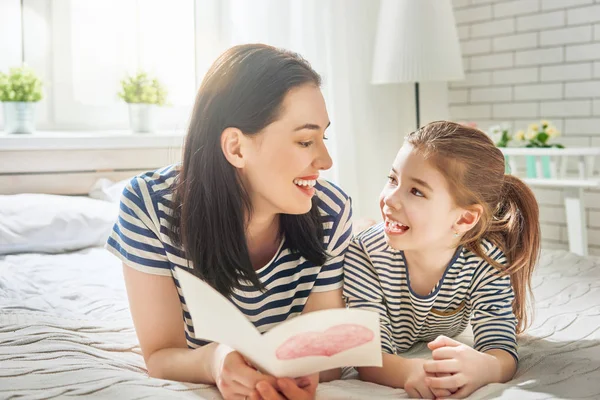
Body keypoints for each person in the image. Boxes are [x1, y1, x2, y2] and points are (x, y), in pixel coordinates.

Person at [106, 44, 353, 400]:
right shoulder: (149, 206)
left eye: (323, 137)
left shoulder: (331, 211)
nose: (326, 160)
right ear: (237, 147)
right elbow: (160, 355)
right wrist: (215, 361)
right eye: (305, 140)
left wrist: (303, 368)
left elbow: (326, 350)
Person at [343, 121, 541, 399]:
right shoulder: (364, 254)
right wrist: (412, 371)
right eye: (392, 179)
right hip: (366, 239)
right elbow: (369, 357)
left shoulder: (485, 260)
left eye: (416, 191)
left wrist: (486, 368)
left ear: (464, 218)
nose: (390, 199)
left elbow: (500, 348)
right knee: (360, 231)